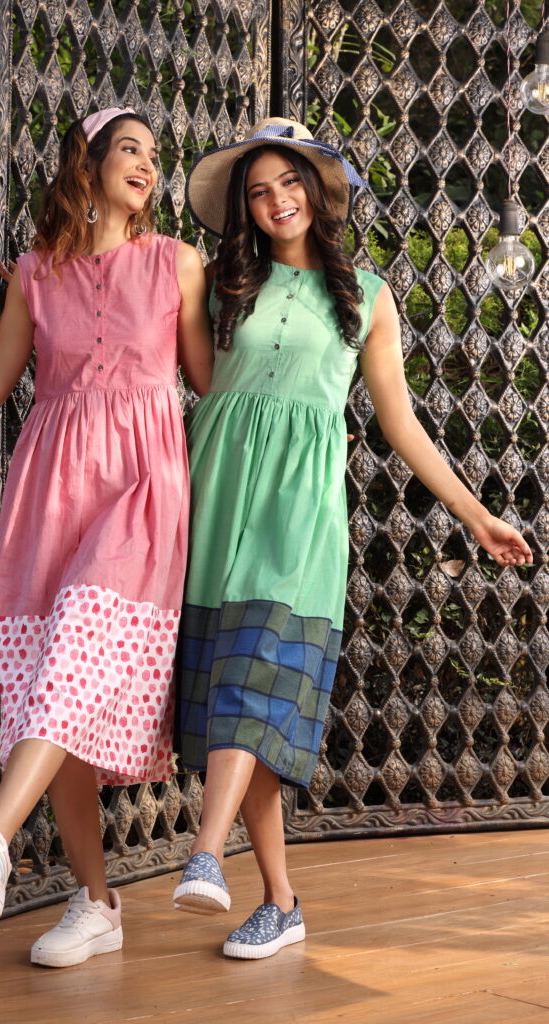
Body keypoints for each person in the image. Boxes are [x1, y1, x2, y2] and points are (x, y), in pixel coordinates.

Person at [171, 118, 533, 960]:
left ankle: (203, 853)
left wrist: (474, 514)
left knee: (254, 678)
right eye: (257, 191)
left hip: (297, 514)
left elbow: (399, 423)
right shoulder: (221, 283)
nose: (275, 201)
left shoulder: (367, 296)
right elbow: (192, 378)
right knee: (237, 702)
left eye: (288, 183)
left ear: (316, 191)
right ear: (244, 208)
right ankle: (281, 903)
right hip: (215, 498)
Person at [0, 107, 213, 968]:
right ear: (87, 163)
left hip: (141, 489)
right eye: (130, 149)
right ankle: (95, 903)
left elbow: (206, 379)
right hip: (49, 494)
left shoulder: (176, 262)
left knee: (79, 641)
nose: (147, 165)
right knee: (54, 686)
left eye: (154, 154)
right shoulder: (35, 272)